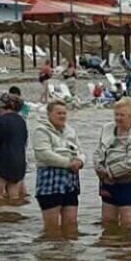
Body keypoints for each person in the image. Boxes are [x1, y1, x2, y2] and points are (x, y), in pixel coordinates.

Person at [93, 96, 131, 228]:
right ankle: (110, 246)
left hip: (129, 180)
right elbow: (98, 151)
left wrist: (109, 172)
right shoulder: (106, 128)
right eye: (116, 114)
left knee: (127, 221)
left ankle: (128, 246)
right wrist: (99, 168)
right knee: (107, 220)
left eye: (122, 115)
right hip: (106, 180)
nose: (118, 118)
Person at [33, 100, 84, 233]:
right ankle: (50, 251)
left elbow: (81, 151)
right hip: (50, 181)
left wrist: (80, 162)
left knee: (71, 223)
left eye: (64, 113)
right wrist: (68, 163)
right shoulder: (41, 130)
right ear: (49, 114)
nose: (62, 116)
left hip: (71, 181)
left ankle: (68, 252)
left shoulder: (70, 131)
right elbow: (44, 154)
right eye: (58, 113)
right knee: (51, 226)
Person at [0, 91, 28, 201]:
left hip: (0, 165)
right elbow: (24, 143)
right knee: (14, 197)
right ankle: (13, 216)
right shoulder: (21, 121)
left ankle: (0, 217)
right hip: (18, 165)